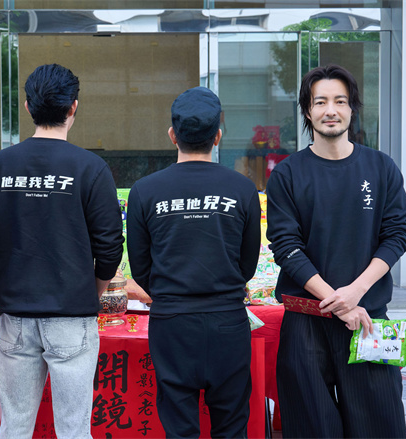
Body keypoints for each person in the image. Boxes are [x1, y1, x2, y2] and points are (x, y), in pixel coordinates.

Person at [266, 64, 406, 438]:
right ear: (307, 110)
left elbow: (396, 235)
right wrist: (338, 303)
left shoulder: (380, 167)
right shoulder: (287, 174)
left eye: (340, 101)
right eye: (320, 102)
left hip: (368, 317)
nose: (330, 110)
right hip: (306, 321)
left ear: (352, 108)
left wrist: (355, 293)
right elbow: (286, 246)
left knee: (380, 424)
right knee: (311, 427)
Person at [0, 63, 124, 438]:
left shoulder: (0, 166)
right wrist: (93, 291)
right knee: (74, 429)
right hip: (71, 315)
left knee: (15, 426)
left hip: (15, 315)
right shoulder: (91, 168)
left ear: (28, 106)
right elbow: (110, 245)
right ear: (73, 107)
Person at [127, 87, 261, 438]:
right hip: (228, 320)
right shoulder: (242, 189)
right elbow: (248, 264)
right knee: (231, 427)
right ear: (218, 136)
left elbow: (140, 268)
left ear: (173, 135)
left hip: (171, 322)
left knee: (179, 428)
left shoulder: (145, 191)